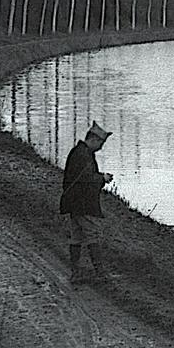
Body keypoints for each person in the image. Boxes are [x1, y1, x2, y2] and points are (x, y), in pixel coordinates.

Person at [60, 121, 113, 284]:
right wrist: (102, 178)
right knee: (92, 235)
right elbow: (86, 179)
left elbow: (82, 177)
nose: (101, 148)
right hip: (82, 203)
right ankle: (100, 273)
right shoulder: (83, 155)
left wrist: (98, 178)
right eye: (101, 144)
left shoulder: (79, 152)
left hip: (73, 202)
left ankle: (76, 272)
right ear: (94, 140)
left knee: (77, 236)